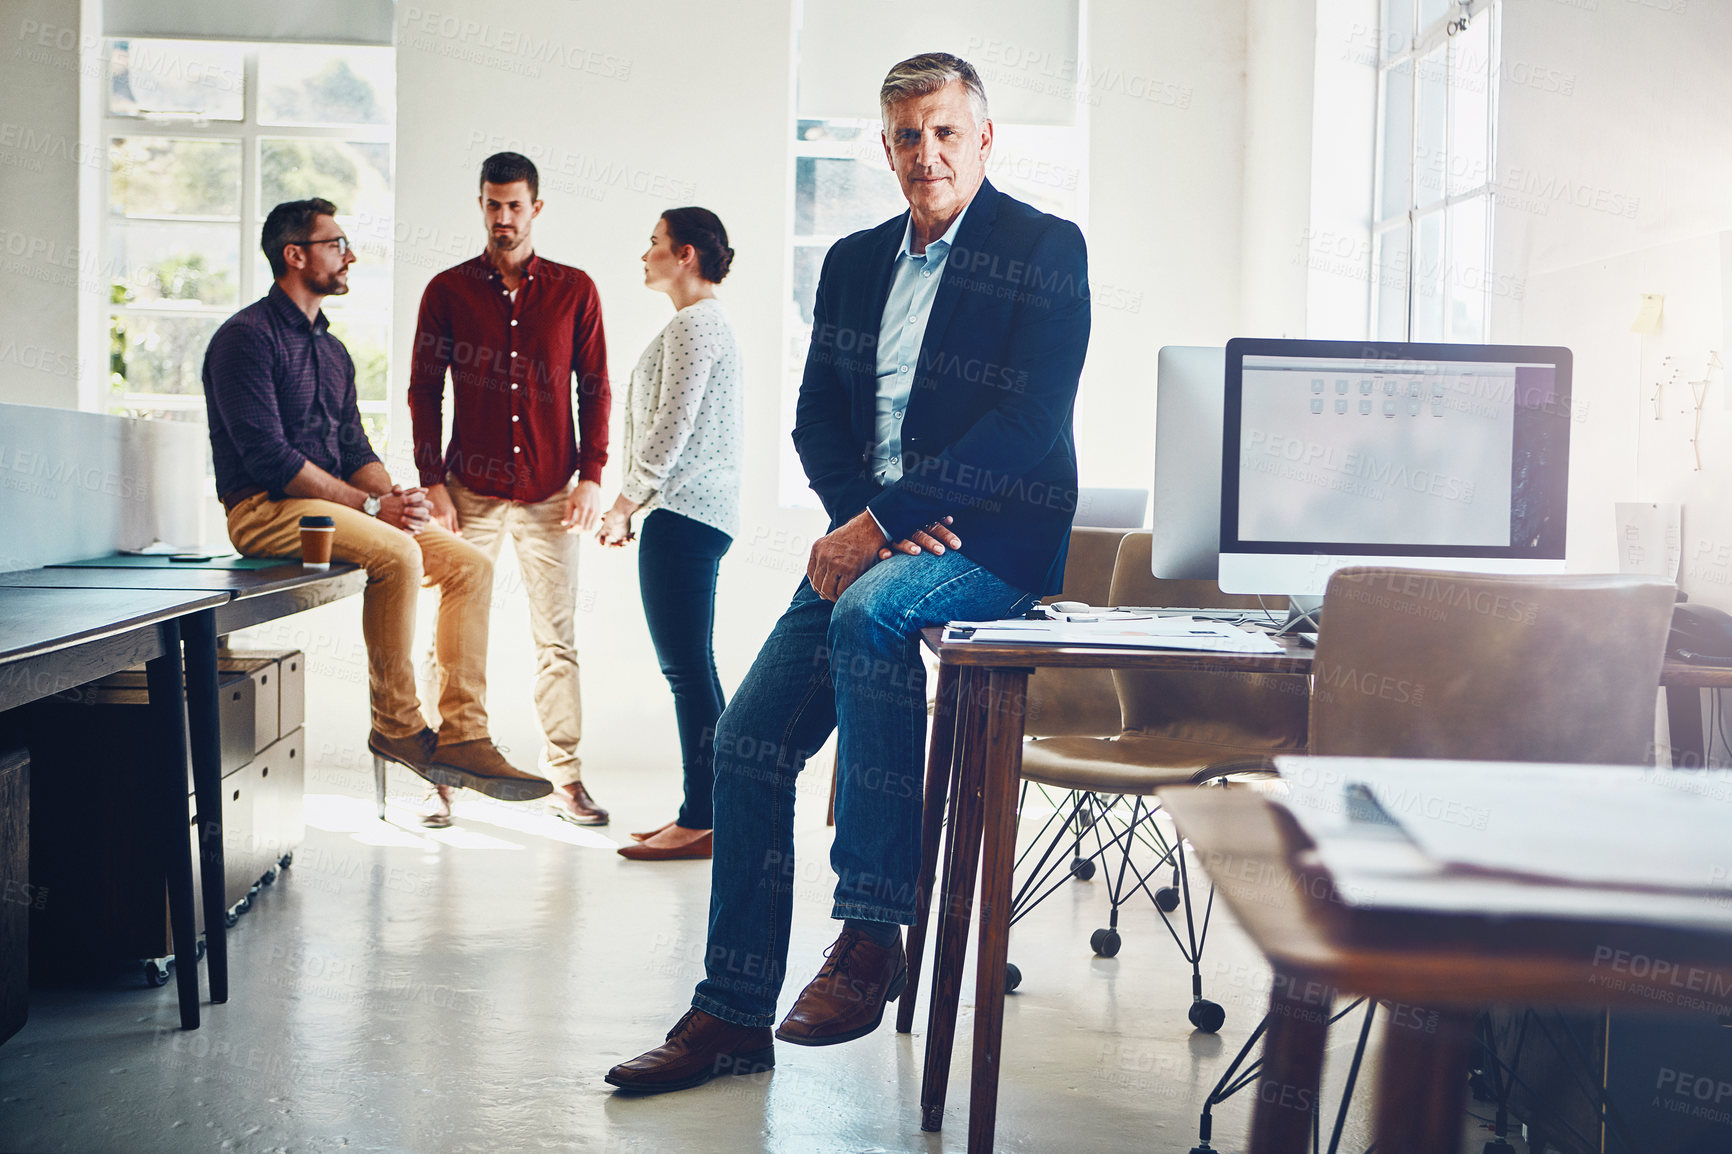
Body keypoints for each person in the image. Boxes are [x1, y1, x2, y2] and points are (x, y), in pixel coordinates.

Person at [606, 52, 1090, 1093]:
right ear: (884, 148)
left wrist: (886, 520)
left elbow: (1028, 426)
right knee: (743, 742)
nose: (928, 154)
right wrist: (861, 522)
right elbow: (817, 418)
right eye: (908, 136)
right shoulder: (853, 260)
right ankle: (731, 1010)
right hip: (877, 537)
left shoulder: (1044, 248)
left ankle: (872, 928)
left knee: (870, 616)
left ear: (985, 138)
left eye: (947, 132)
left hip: (992, 544)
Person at [204, 198, 550, 803]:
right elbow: (272, 461)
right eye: (336, 244)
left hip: (334, 512)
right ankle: (397, 727)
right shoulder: (244, 340)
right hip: (262, 512)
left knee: (471, 563)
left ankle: (466, 735)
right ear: (295, 255)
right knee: (397, 554)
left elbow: (352, 446)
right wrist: (372, 512)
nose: (350, 256)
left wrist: (397, 496)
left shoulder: (332, 352)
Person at [408, 152, 612, 829]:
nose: (503, 218)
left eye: (515, 206)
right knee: (450, 638)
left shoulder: (575, 290)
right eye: (493, 205)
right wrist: (432, 480)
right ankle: (441, 776)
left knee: (556, 638)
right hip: (469, 490)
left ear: (536, 209)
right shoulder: (447, 290)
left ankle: (566, 778)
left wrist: (593, 474)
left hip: (554, 490)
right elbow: (422, 390)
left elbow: (596, 388)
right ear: (481, 206)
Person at [598, 208, 743, 863]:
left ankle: (704, 819)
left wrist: (622, 504)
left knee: (688, 672)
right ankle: (701, 813)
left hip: (685, 515)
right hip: (690, 513)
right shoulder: (702, 325)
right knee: (691, 670)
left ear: (685, 254)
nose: (644, 253)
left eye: (653, 242)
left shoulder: (695, 325)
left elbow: (671, 426)